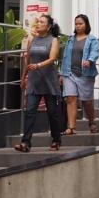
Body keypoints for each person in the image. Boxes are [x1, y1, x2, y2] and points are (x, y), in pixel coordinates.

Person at [15, 14, 64, 152]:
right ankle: (25, 143)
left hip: (49, 81)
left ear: (48, 27)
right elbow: (28, 60)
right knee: (30, 111)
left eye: (42, 22)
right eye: (38, 22)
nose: (38, 24)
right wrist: (23, 78)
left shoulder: (53, 40)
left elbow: (52, 58)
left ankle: (56, 140)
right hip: (34, 81)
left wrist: (38, 65)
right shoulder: (32, 39)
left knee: (52, 113)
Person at [61, 14, 99, 135]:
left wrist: (90, 60)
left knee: (87, 101)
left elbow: (95, 52)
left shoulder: (92, 39)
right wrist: (62, 74)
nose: (78, 26)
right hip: (69, 73)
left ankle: (92, 122)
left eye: (80, 24)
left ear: (86, 25)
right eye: (76, 24)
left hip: (86, 74)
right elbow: (65, 57)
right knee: (70, 98)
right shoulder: (70, 39)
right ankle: (71, 127)